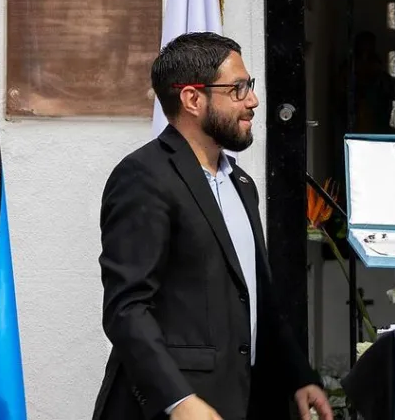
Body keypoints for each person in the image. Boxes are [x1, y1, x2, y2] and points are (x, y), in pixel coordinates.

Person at [92, 32, 332, 420]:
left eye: (249, 87)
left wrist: (298, 376)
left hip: (245, 402)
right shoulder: (144, 177)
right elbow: (126, 309)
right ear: (192, 99)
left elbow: (258, 300)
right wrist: (178, 400)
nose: (252, 101)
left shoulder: (242, 184)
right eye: (238, 89)